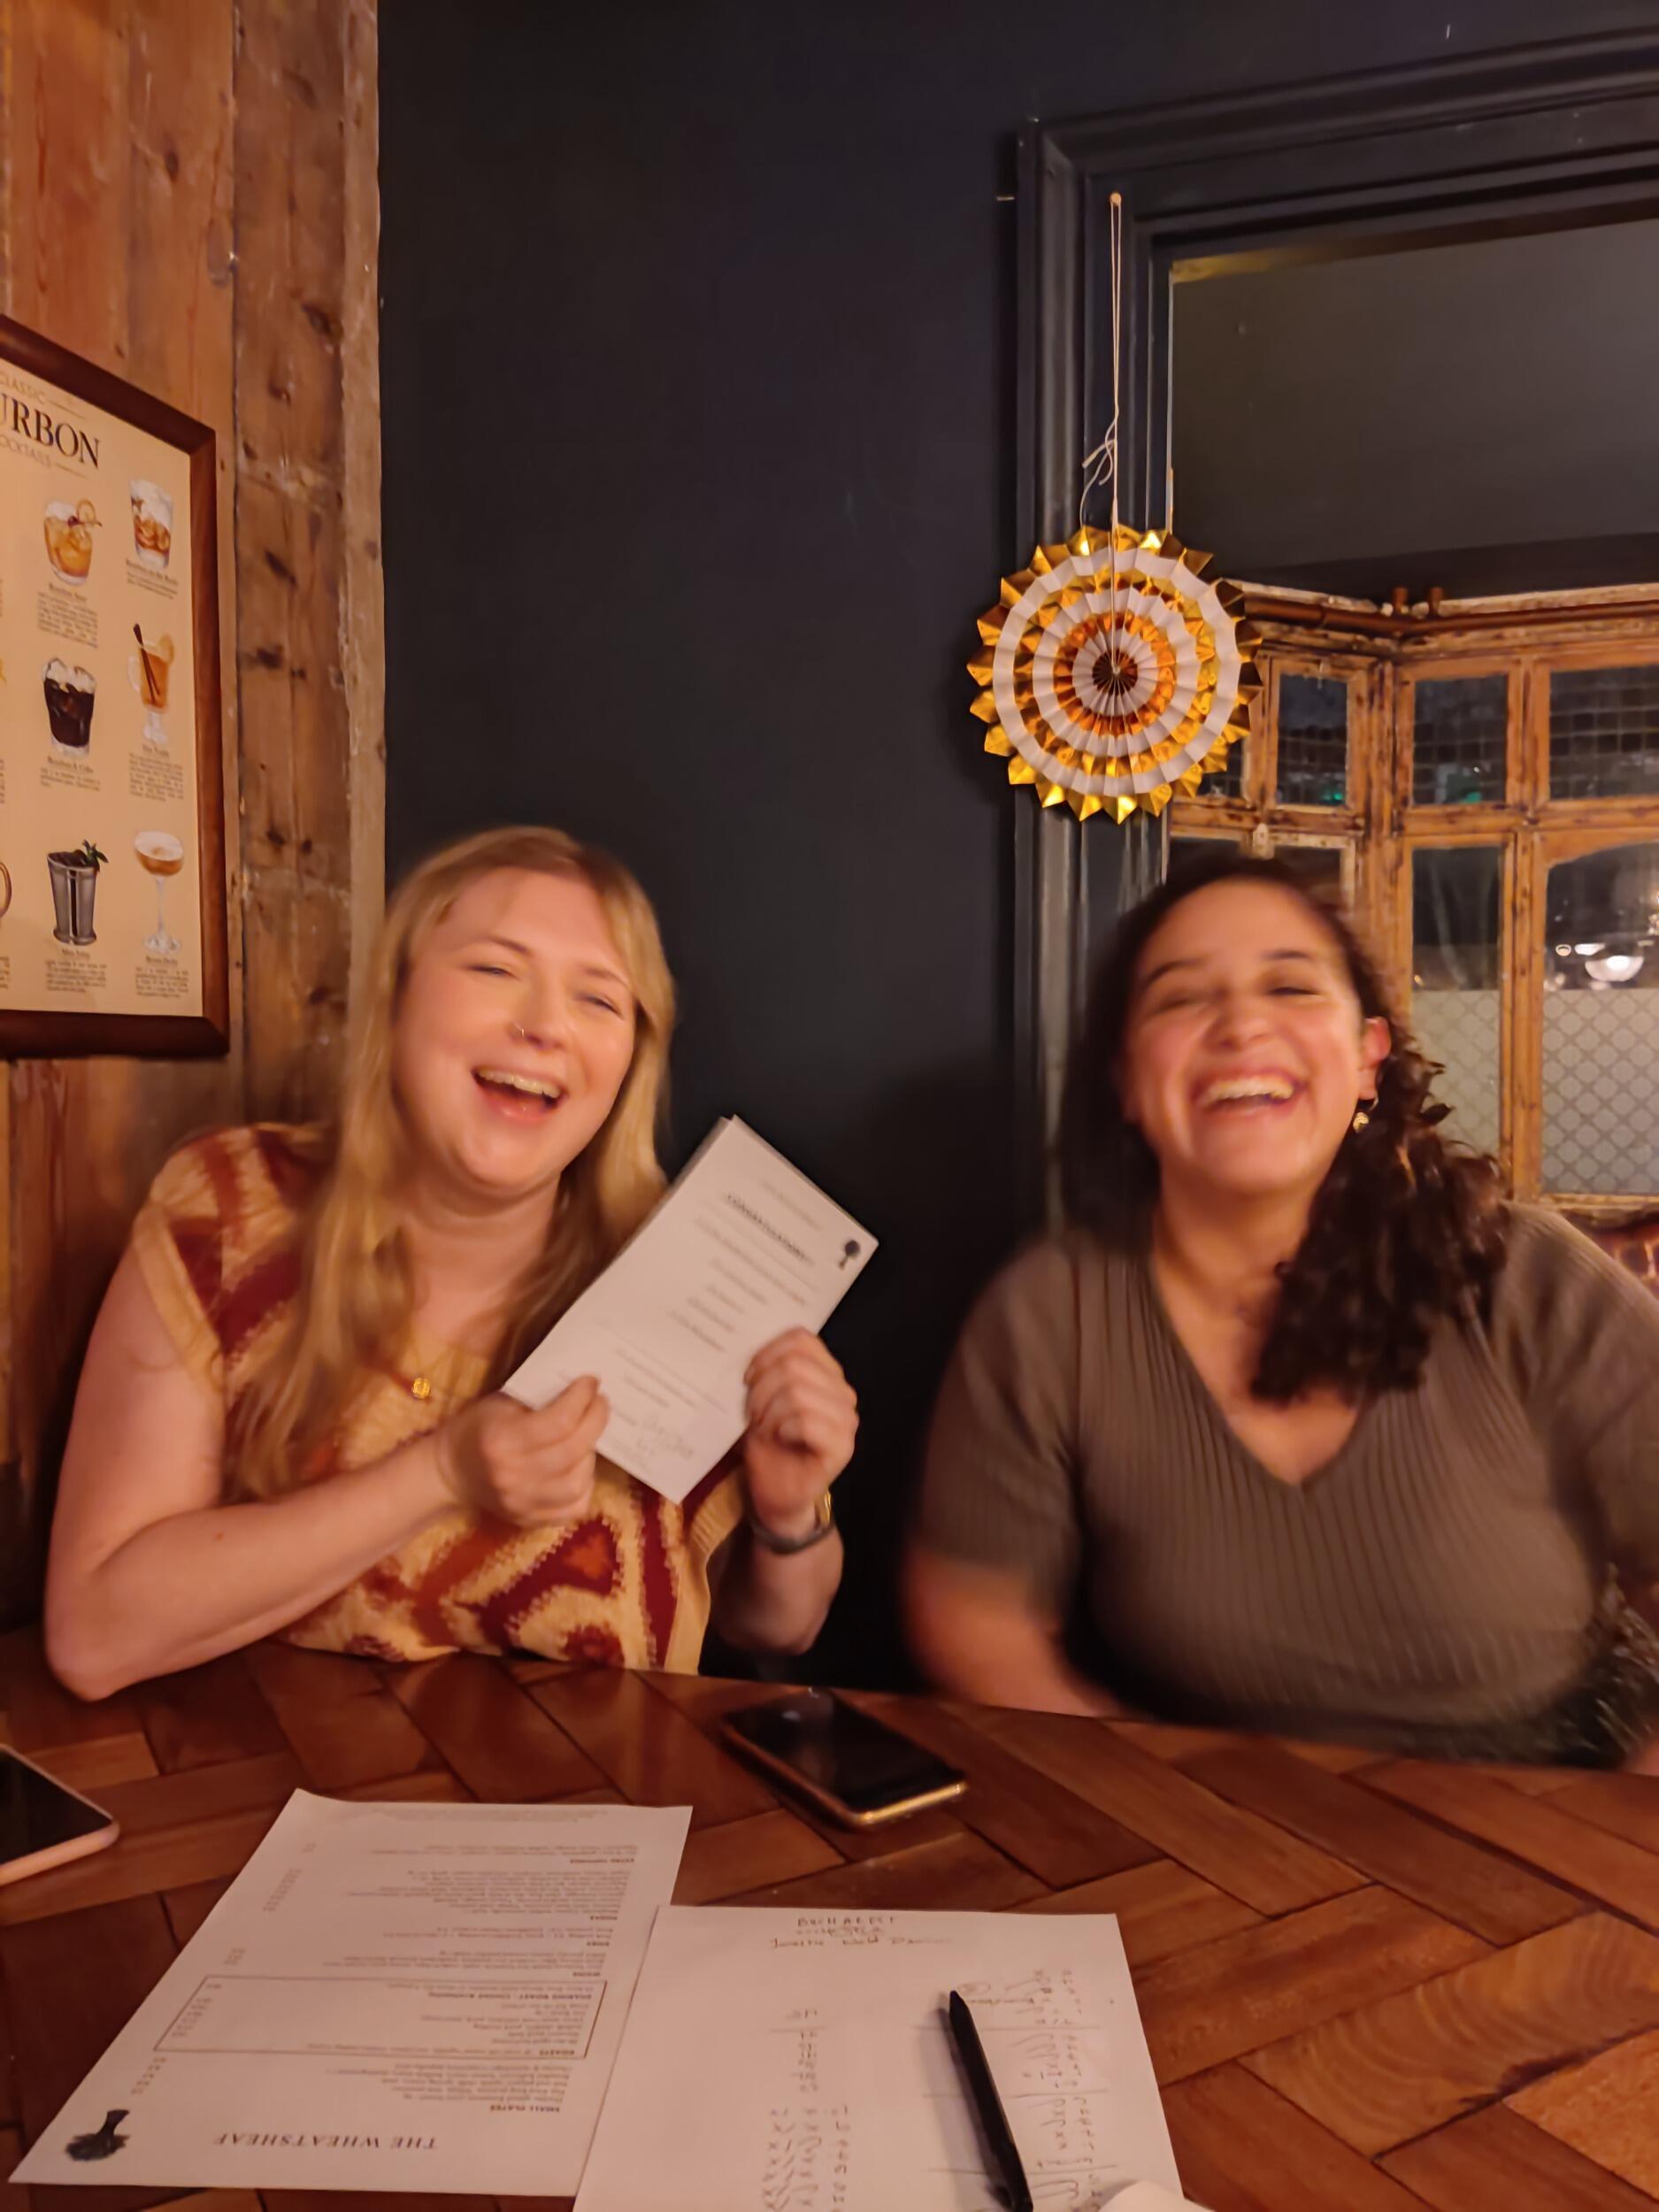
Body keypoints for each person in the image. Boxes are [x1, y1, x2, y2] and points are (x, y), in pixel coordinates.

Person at [46, 826, 856, 1700]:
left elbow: (778, 1626)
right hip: (251, 1800)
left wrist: (786, 1515)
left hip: (582, 1818)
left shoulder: (686, 1275)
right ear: (396, 1000)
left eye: (598, 1000)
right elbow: (95, 1635)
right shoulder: (234, 1208)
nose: (543, 1026)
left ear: (628, 1062)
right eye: (494, 970)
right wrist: (439, 1474)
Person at [907, 851, 1659, 1767]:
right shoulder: (1050, 1314)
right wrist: (1188, 1815)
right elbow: (977, 1621)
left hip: (1565, 1808)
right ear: (1126, 1084)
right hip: (1217, 1849)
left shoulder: (1528, 1281)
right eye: (1181, 998)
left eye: (1291, 987)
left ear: (1367, 1059)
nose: (1239, 1024)